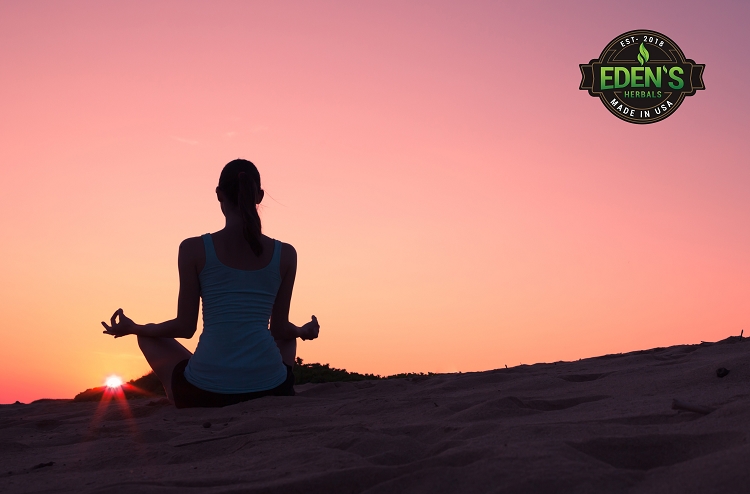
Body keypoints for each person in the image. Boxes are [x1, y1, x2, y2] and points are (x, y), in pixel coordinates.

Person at [101, 159, 319, 408]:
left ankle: (181, 393)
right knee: (289, 338)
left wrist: (135, 327)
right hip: (272, 388)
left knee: (146, 335)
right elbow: (281, 330)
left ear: (219, 194)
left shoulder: (193, 249)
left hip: (203, 393)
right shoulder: (286, 254)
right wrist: (303, 332)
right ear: (258, 196)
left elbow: (184, 327)